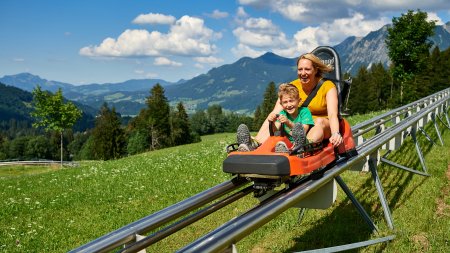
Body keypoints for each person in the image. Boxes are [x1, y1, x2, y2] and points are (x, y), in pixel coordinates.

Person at [255, 52, 343, 148]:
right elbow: (276, 111)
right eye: (300, 69)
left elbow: (332, 114)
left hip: (323, 127)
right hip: (298, 127)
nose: (303, 73)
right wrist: (270, 122)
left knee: (319, 121)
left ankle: (304, 145)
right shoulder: (292, 87)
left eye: (307, 69)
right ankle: (256, 143)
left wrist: (336, 133)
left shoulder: (327, 86)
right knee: (276, 118)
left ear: (315, 70)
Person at [266, 83, 314, 153]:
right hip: (288, 142)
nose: (288, 105)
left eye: (291, 101)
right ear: (281, 104)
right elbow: (276, 131)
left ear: (298, 101)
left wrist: (288, 122)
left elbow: (303, 130)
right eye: (285, 102)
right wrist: (272, 122)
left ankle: (299, 147)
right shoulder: (282, 114)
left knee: (301, 137)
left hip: (303, 141)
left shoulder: (304, 112)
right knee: (278, 139)